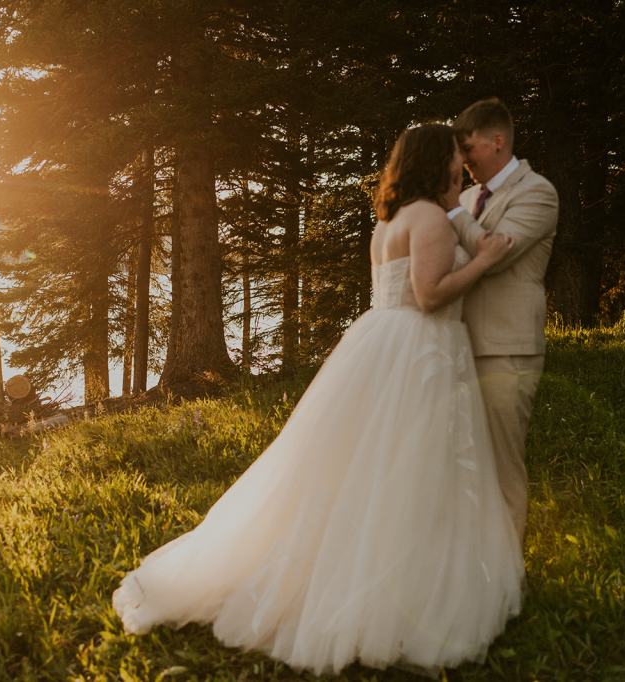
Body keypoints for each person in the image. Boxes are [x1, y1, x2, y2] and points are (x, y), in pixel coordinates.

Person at [112, 124, 525, 676]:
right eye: (454, 155)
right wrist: (484, 262)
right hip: (419, 348)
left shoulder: (392, 220)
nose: (461, 164)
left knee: (364, 466)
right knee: (413, 466)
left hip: (384, 341)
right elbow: (429, 296)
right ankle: (399, 590)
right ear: (435, 161)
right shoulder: (428, 217)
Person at [447, 98, 559, 544]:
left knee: (501, 466)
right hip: (456, 345)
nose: (463, 159)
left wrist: (452, 211)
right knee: (464, 466)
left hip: (506, 348)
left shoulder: (537, 192)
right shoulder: (466, 198)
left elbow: (496, 254)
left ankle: (508, 569)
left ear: (497, 141)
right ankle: (471, 563)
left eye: (468, 147)